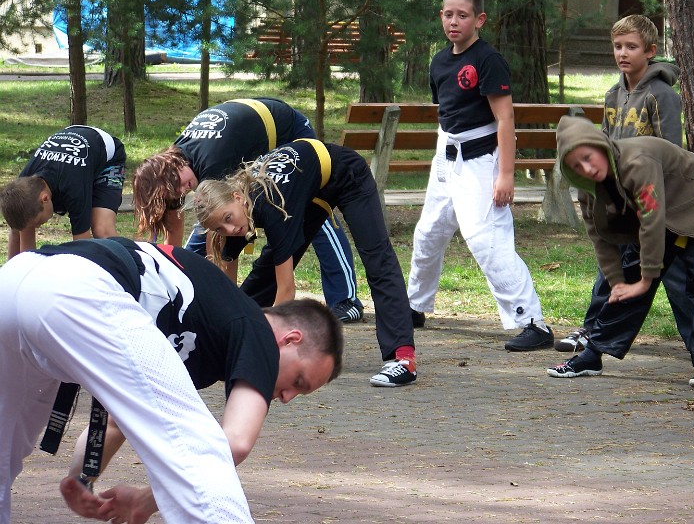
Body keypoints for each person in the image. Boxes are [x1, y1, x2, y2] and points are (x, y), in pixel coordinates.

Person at [0, 237, 342, 524]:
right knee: (201, 449)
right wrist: (148, 500)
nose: (287, 397)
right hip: (77, 288)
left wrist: (81, 480)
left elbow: (118, 421)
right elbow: (233, 443)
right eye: (299, 381)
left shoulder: (212, 321)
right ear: (291, 339)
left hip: (18, 277)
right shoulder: (256, 329)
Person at [187, 139, 418, 388]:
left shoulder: (272, 207)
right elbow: (230, 296)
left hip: (344, 173)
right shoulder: (233, 215)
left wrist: (269, 348)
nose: (230, 229)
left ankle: (404, 359)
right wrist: (228, 334)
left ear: (237, 197)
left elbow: (286, 291)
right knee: (265, 273)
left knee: (377, 257)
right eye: (220, 228)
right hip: (308, 189)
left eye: (228, 219)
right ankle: (235, 345)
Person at [405, 0, 552, 351]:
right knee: (428, 233)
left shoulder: (487, 60)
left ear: (479, 19)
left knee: (487, 241)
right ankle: (415, 306)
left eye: (463, 15)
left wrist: (505, 174)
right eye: (448, 14)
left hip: (481, 162)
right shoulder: (439, 62)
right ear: (441, 16)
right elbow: (448, 113)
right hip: (446, 159)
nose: (454, 21)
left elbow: (505, 120)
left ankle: (532, 321)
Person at [132, 97, 364, 323]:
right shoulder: (174, 166)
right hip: (249, 138)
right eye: (177, 194)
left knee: (310, 211)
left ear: (176, 164)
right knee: (207, 238)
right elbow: (175, 235)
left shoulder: (213, 162)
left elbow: (219, 238)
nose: (183, 191)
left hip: (289, 132)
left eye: (179, 185)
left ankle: (346, 299)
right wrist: (169, 277)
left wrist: (227, 297)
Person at [546, 116, 694, 387]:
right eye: (577, 165)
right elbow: (600, 238)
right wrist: (617, 282)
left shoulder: (637, 162)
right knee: (628, 283)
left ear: (601, 146)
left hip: (693, 197)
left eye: (588, 157)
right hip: (658, 209)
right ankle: (592, 355)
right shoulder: (589, 189)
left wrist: (647, 280)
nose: (587, 168)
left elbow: (652, 221)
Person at [555, 14, 694, 359]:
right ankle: (592, 329)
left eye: (631, 46)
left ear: (650, 51)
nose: (622, 53)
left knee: (675, 276)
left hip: (653, 198)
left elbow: (670, 150)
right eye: (617, 46)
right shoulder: (613, 95)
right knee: (611, 264)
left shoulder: (662, 95)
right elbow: (603, 143)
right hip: (619, 197)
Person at [0, 125, 125, 259]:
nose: (38, 227)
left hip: (106, 156)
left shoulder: (74, 189)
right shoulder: (24, 184)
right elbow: (25, 248)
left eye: (39, 223)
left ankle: (132, 265)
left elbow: (82, 248)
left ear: (45, 198)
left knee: (102, 229)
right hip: (74, 145)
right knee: (20, 225)